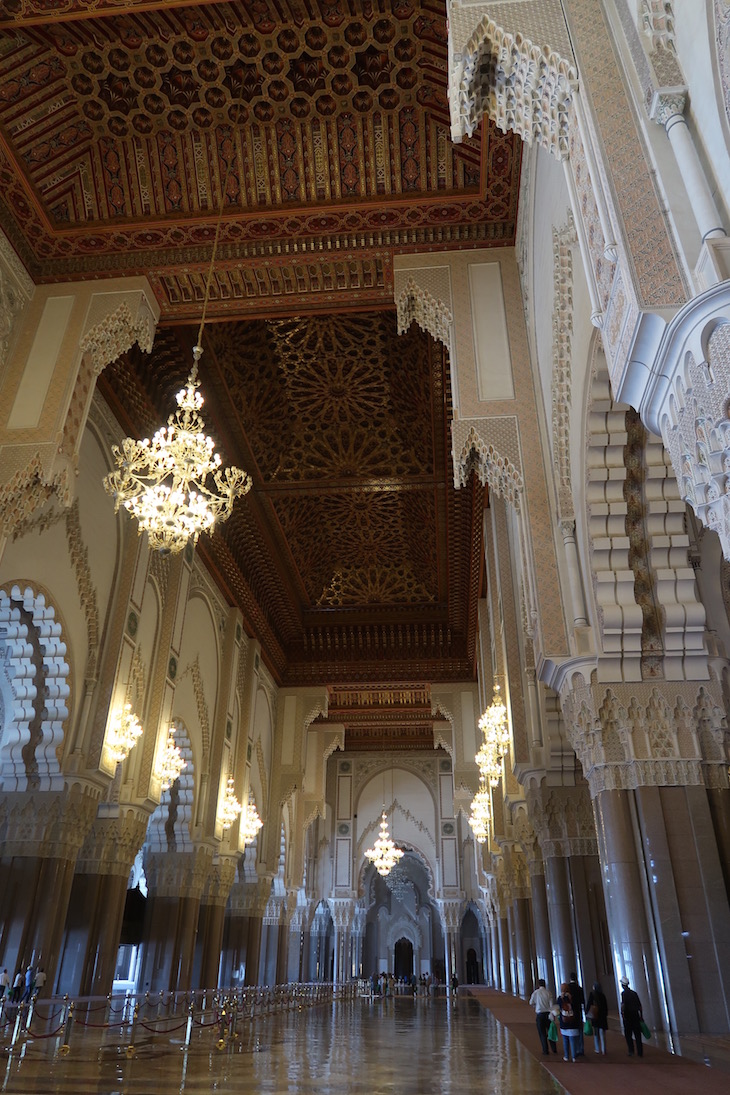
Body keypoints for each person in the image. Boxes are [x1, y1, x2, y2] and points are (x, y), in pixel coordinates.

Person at [620, 975, 644, 1058]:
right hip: (636, 1016)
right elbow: (640, 1006)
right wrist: (641, 1016)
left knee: (628, 1035)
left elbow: (623, 1005)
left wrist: (622, 1014)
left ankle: (631, 1051)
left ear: (623, 985)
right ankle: (640, 1052)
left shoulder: (623, 994)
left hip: (628, 1016)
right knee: (637, 1035)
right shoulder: (634, 993)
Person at [528, 978, 553, 1056]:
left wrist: (536, 1005)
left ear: (538, 985)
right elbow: (551, 1005)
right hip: (548, 1014)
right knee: (550, 1032)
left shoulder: (536, 993)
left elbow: (530, 1002)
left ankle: (545, 1050)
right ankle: (554, 1048)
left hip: (540, 1015)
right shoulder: (548, 992)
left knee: (542, 1033)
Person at [558, 981, 580, 1062]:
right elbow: (576, 1007)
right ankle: (574, 1057)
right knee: (572, 1040)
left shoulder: (560, 998)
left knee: (565, 1040)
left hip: (564, 1021)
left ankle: (566, 1056)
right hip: (572, 1021)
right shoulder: (572, 997)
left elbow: (559, 1007)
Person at [585, 980, 608, 1054]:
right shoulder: (603, 995)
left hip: (595, 1015)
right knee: (602, 1033)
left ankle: (597, 1048)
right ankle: (604, 1049)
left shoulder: (592, 994)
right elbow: (606, 1006)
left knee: (596, 1033)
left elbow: (589, 1004)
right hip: (602, 1016)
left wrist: (586, 1013)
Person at [567, 971, 585, 1056]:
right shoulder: (579, 988)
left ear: (570, 978)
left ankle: (574, 1049)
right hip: (578, 1011)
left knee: (572, 1031)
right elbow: (582, 1001)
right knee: (580, 1030)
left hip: (570, 1012)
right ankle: (580, 1049)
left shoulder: (567, 989)